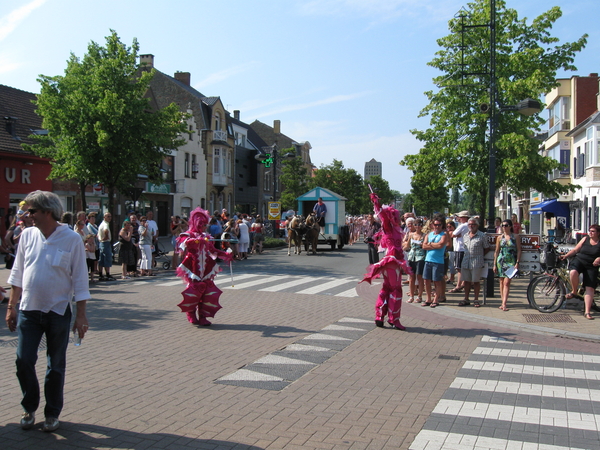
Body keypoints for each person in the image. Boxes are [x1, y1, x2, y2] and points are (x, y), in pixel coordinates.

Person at [5, 190, 89, 433]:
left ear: (47, 211)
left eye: (32, 211)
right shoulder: (28, 236)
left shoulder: (71, 239)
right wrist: (12, 307)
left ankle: (52, 413)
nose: (27, 215)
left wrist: (81, 315)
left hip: (57, 310)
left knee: (56, 365)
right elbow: (17, 274)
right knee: (23, 360)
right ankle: (29, 406)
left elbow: (80, 280)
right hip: (29, 309)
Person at [175, 207, 233, 326]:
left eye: (205, 225)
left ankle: (203, 316)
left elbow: (213, 250)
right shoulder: (189, 234)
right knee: (194, 291)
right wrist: (196, 240)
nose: (204, 227)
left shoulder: (206, 236)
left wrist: (226, 254)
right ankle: (191, 314)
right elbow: (183, 243)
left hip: (205, 268)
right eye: (202, 225)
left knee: (207, 292)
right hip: (192, 268)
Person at [361, 193, 410, 330]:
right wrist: (376, 202)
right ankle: (393, 319)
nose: (397, 218)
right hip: (391, 262)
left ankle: (380, 316)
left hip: (392, 262)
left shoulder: (395, 229)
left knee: (387, 288)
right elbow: (382, 215)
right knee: (395, 289)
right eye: (395, 215)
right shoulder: (388, 227)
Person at [560, 224, 600, 320]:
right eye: (590, 230)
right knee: (573, 272)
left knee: (590, 289)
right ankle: (574, 291)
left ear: (598, 233)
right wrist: (566, 256)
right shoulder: (585, 239)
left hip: (592, 265)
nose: (590, 232)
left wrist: (599, 258)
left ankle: (587, 312)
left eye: (593, 231)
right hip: (580, 260)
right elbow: (575, 250)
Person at [458, 218, 491, 308]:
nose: (471, 226)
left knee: (476, 281)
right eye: (469, 224)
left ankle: (476, 299)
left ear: (477, 225)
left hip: (476, 262)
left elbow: (487, 248)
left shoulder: (482, 235)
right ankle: (466, 298)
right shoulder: (465, 235)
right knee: (466, 281)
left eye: (473, 224)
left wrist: (480, 255)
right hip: (466, 261)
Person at [422, 214, 450, 308]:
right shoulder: (429, 234)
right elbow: (423, 246)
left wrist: (429, 244)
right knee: (426, 280)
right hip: (428, 260)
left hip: (438, 261)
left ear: (442, 225)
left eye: (439, 225)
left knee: (437, 281)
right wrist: (434, 244)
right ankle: (428, 298)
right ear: (432, 225)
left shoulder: (444, 235)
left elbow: (441, 245)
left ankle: (436, 299)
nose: (437, 226)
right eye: (435, 224)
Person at [493, 219, 522, 311]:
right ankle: (503, 302)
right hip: (501, 260)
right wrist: (494, 264)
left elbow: (519, 250)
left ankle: (504, 303)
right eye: (502, 225)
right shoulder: (499, 238)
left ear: (510, 226)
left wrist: (517, 262)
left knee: (507, 282)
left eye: (506, 225)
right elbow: (497, 251)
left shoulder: (515, 237)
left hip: (511, 261)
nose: (504, 227)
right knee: (501, 281)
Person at [405, 218, 425, 303]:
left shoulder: (424, 235)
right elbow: (407, 246)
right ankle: (412, 296)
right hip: (411, 257)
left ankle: (419, 296)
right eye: (416, 225)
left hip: (420, 257)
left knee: (419, 277)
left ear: (422, 226)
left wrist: (422, 245)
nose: (417, 226)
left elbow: (426, 246)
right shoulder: (411, 235)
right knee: (411, 277)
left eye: (419, 225)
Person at [449, 211, 469, 294]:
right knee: (463, 268)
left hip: (460, 248)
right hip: (464, 248)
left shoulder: (463, 225)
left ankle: (459, 285)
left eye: (460, 217)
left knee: (459, 268)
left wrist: (455, 234)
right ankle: (464, 283)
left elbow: (452, 234)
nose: (459, 218)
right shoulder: (468, 225)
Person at [97, 212, 115, 281]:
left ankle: (101, 274)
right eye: (108, 216)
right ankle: (107, 274)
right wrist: (106, 236)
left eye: (110, 216)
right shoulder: (105, 224)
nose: (109, 218)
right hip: (105, 242)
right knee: (107, 258)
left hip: (101, 243)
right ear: (104, 217)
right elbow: (106, 230)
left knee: (101, 259)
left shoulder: (101, 224)